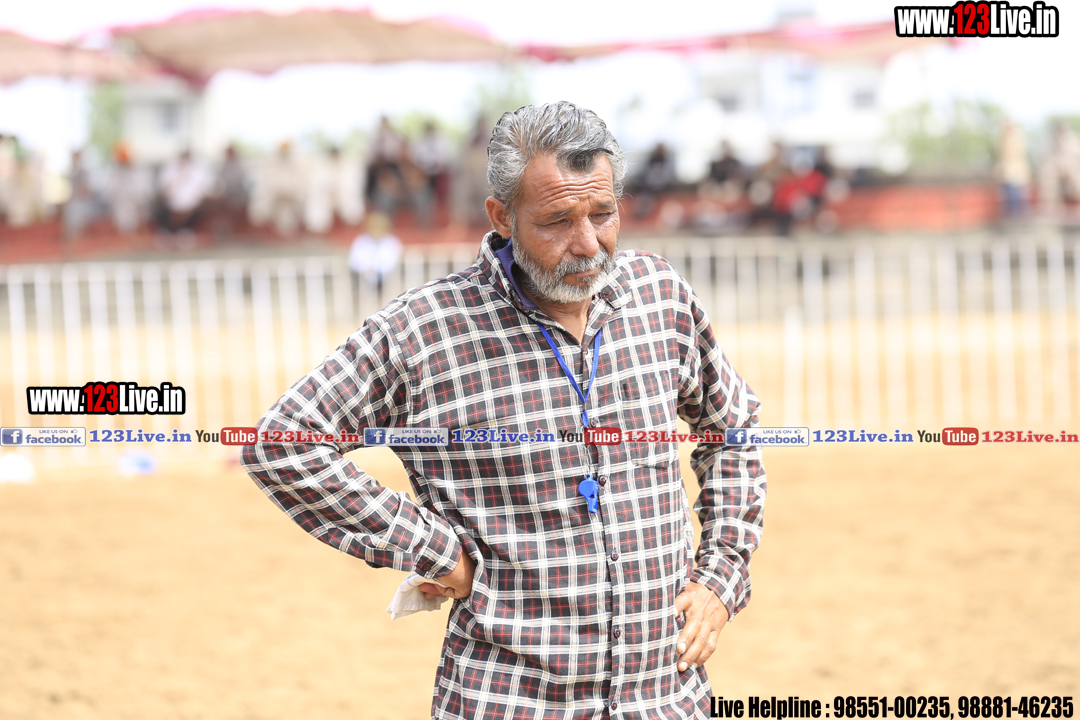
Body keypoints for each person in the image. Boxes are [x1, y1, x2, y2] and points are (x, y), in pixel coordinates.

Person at [242, 101, 766, 720]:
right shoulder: (427, 329)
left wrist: (721, 574)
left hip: (664, 698)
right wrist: (434, 550)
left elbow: (731, 426)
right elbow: (283, 440)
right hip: (509, 699)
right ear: (502, 216)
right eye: (557, 221)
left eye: (603, 214)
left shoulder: (660, 296)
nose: (588, 244)